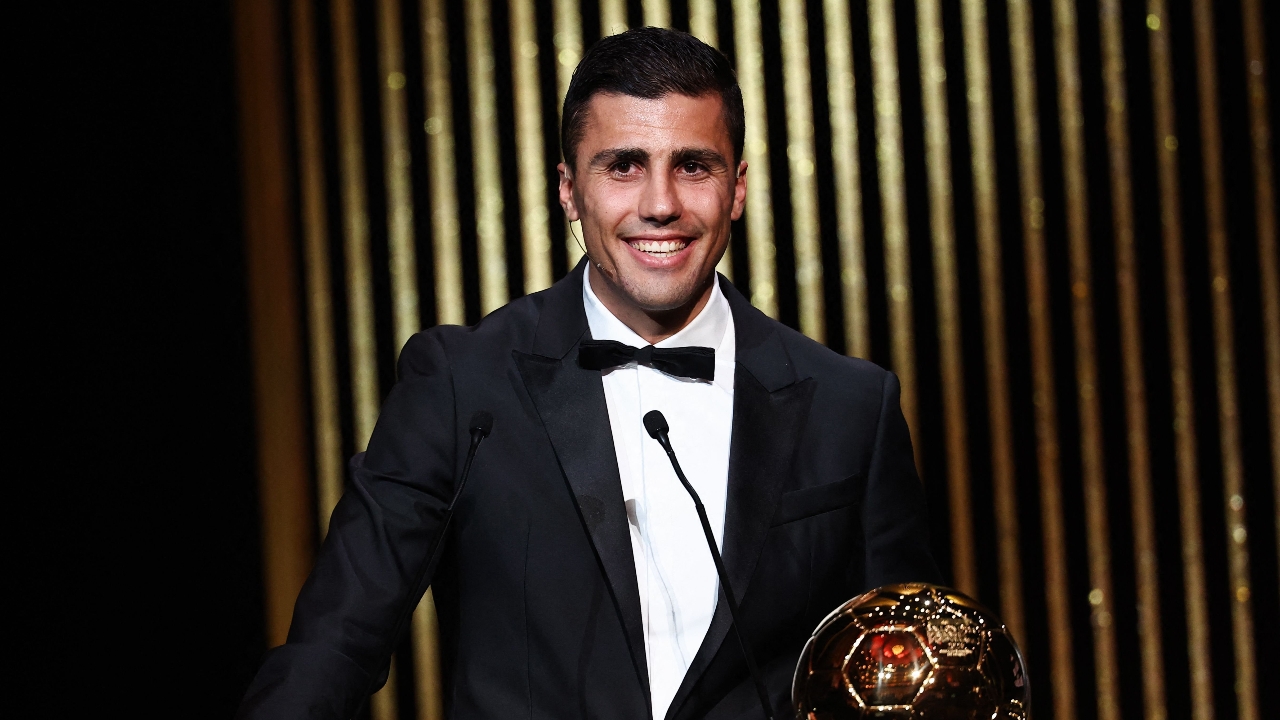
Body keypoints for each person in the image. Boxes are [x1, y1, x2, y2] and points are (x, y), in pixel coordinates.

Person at [238, 27, 938, 720]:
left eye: (693, 166)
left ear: (737, 188)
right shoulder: (460, 386)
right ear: (570, 190)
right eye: (624, 166)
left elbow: (908, 677)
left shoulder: (852, 406)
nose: (660, 204)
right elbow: (337, 644)